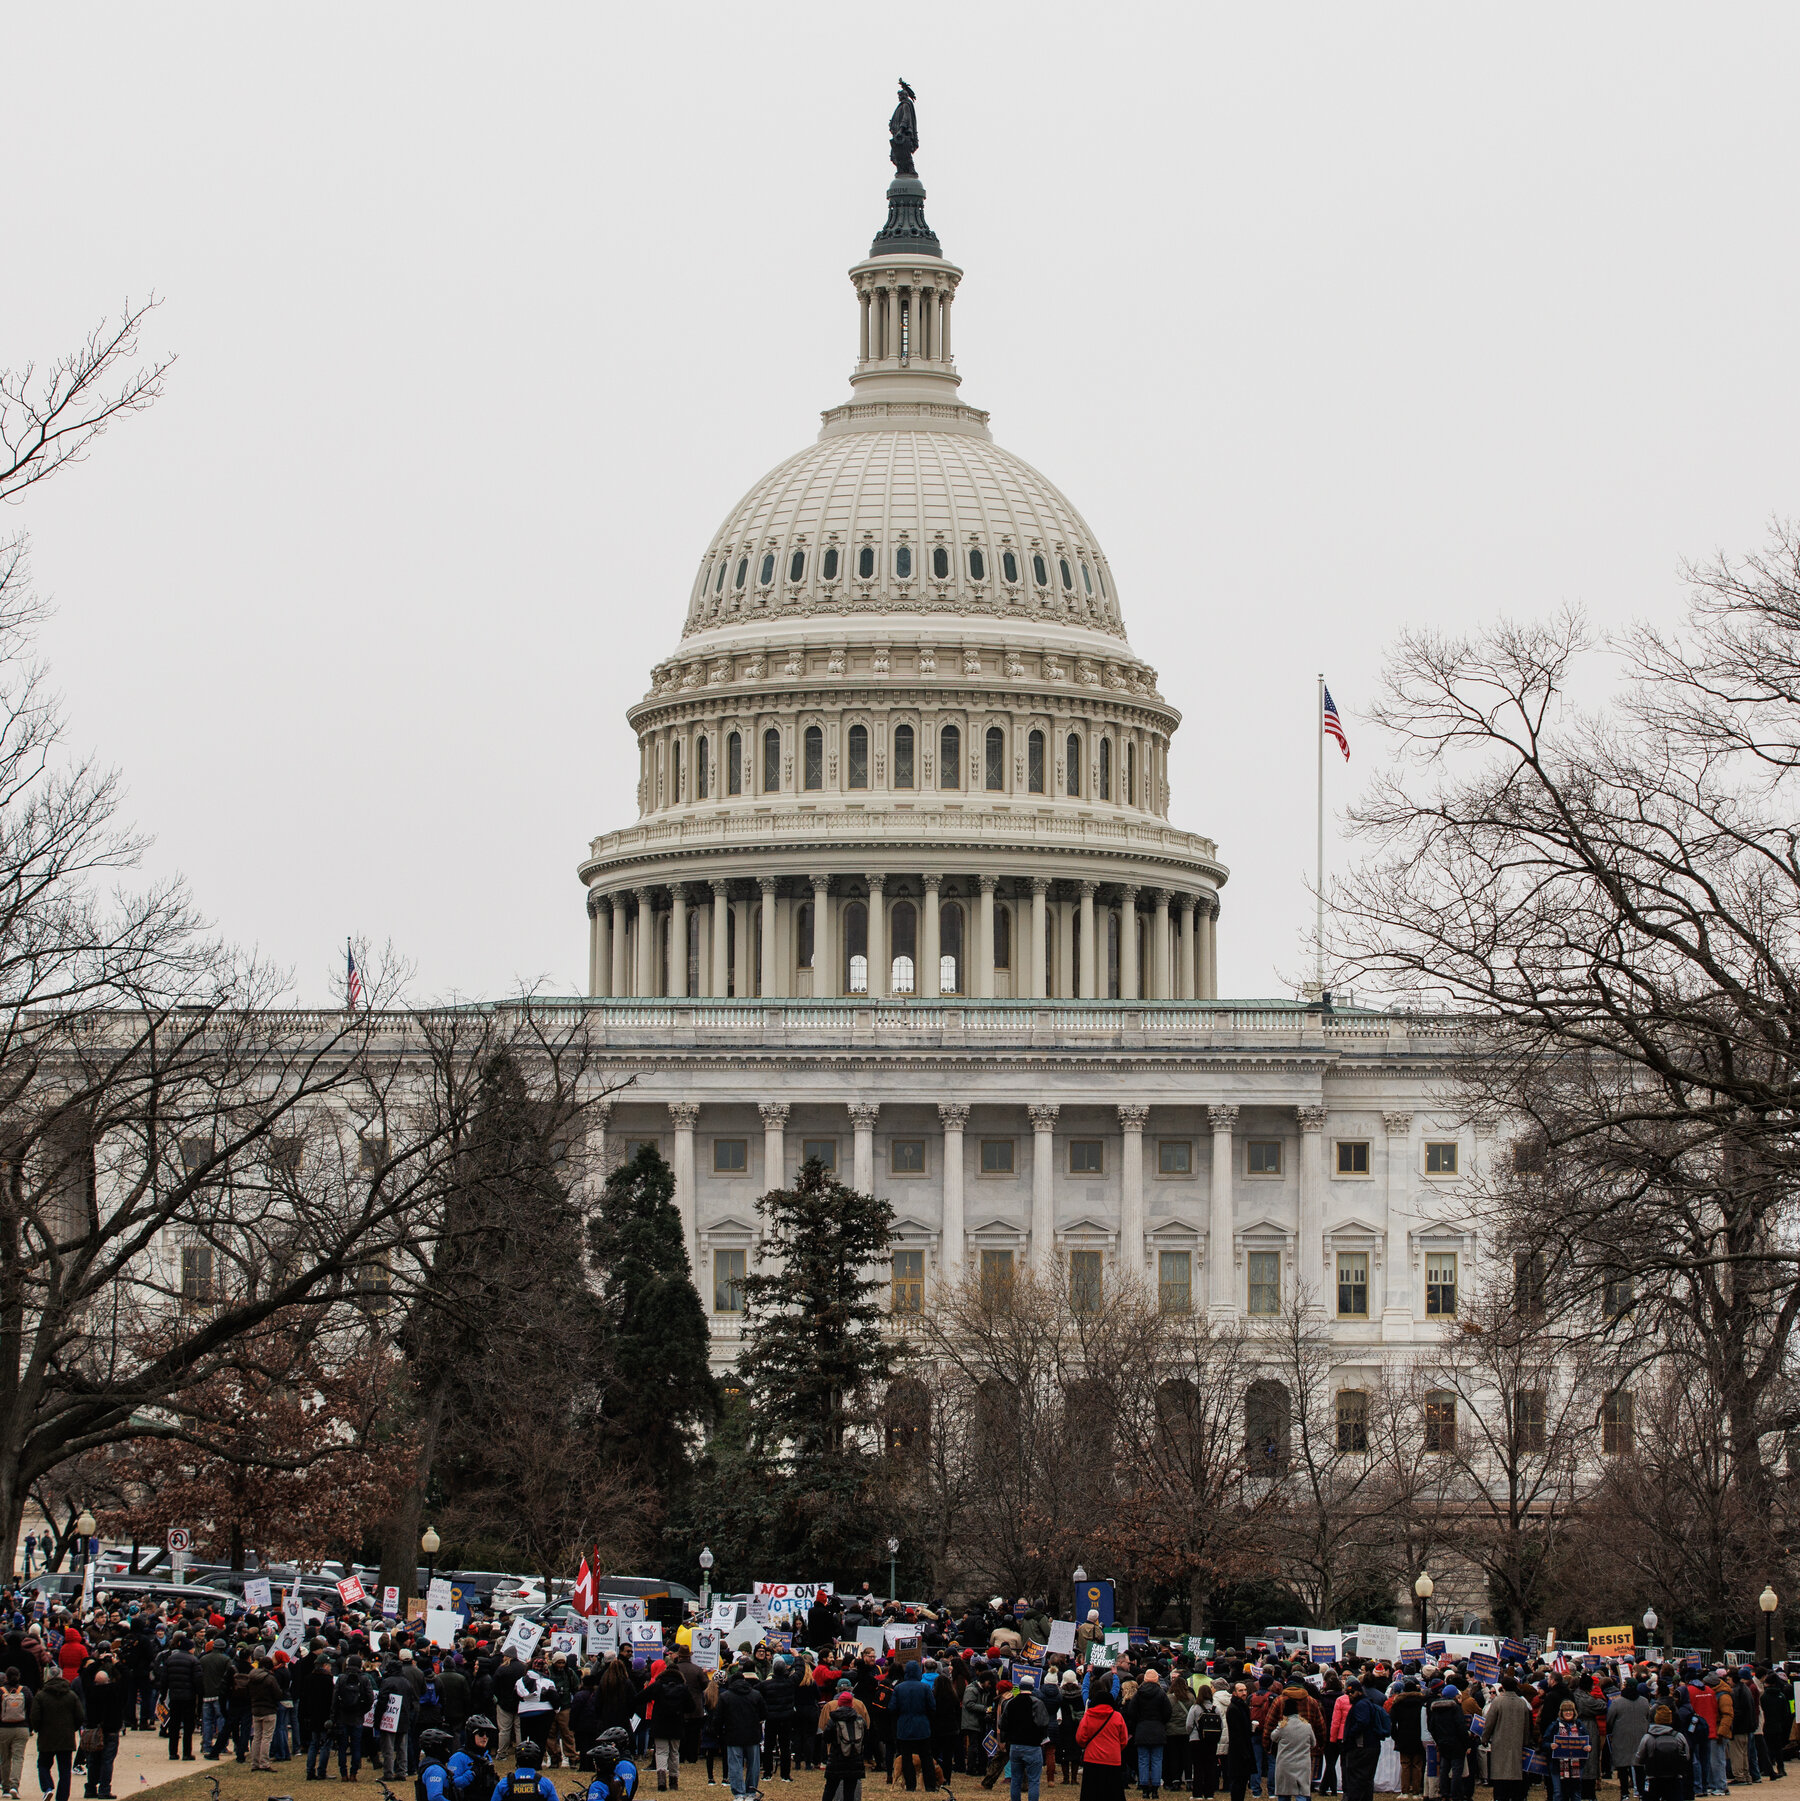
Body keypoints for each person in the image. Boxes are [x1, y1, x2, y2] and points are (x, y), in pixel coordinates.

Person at [31, 1663, 85, 1801]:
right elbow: (80, 1716)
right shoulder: (71, 1695)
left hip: (46, 1737)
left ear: (48, 1677)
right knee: (65, 1771)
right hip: (66, 1737)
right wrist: (72, 1728)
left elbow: (35, 1717)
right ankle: (62, 1798)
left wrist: (38, 1729)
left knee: (43, 1765)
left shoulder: (41, 1696)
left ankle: (47, 1787)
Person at [1000, 1673, 1051, 1801]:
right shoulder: (1037, 1703)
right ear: (1033, 1688)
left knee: (1015, 1779)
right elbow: (1044, 1723)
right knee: (1034, 1781)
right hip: (1033, 1747)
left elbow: (1002, 1724)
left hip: (1015, 1746)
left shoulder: (1011, 1703)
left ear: (1020, 1687)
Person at [1075, 1680, 1128, 1801]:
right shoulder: (1117, 1716)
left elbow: (1080, 1738)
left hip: (1092, 1759)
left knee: (1091, 1793)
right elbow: (1124, 1740)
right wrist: (1115, 1748)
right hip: (1113, 1759)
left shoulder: (1088, 1715)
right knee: (1113, 1794)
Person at [1483, 1678, 1533, 1801]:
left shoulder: (1497, 1702)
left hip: (1500, 1743)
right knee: (1515, 1777)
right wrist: (1525, 1743)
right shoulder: (1522, 1703)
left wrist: (1484, 1738)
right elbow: (1527, 1727)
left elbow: (1489, 1723)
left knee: (1501, 1779)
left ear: (1503, 1687)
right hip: (1517, 1744)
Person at [1126, 1667, 1172, 1799]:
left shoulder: (1139, 1694)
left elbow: (1131, 1712)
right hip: (1158, 1730)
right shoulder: (1161, 1693)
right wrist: (1160, 1722)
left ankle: (1144, 1787)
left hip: (1142, 1730)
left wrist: (1139, 1722)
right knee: (1157, 1760)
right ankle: (1156, 1788)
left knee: (1143, 1760)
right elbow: (1168, 1712)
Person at [156, 1630, 200, 1762]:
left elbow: (164, 1680)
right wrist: (199, 1695)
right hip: (189, 1697)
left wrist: (163, 1695)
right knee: (188, 1726)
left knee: (173, 1725)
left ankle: (173, 1752)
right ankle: (187, 1753)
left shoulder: (170, 1659)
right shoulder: (193, 1661)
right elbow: (197, 1680)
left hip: (174, 1696)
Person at [81, 1665, 124, 1799]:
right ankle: (104, 1789)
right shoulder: (115, 1691)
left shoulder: (90, 1692)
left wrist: (98, 1661)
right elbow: (126, 1679)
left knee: (93, 1761)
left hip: (94, 1730)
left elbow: (85, 1675)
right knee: (107, 1761)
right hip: (110, 1730)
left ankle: (91, 1788)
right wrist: (116, 1663)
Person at [331, 1652, 374, 1782]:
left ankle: (343, 1774)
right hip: (357, 1717)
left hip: (342, 1717)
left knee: (342, 1746)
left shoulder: (342, 1678)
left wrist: (334, 1715)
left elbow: (334, 1699)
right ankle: (354, 1773)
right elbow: (370, 1698)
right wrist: (363, 1710)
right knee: (356, 1746)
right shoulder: (364, 1679)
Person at [1636, 1706, 1693, 1801]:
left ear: (1656, 1718)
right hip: (1674, 1778)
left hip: (1653, 1778)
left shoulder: (1648, 1737)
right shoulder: (1678, 1736)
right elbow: (1687, 1756)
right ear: (1670, 1720)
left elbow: (1639, 1759)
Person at [1609, 1681, 1654, 1799]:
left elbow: (1610, 1719)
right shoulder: (1644, 1702)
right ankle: (1640, 1792)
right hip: (1640, 1737)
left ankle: (1624, 1793)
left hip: (1621, 1737)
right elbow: (1649, 1717)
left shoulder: (1617, 1702)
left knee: (1623, 1767)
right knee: (1639, 1766)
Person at [822, 1690, 868, 1801]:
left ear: (839, 1704)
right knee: (849, 1791)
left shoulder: (834, 1720)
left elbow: (826, 1738)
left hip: (836, 1759)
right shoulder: (859, 1720)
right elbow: (866, 1738)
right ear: (851, 1704)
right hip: (854, 1759)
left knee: (830, 1788)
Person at [1270, 1698, 1315, 1801]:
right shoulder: (1307, 1726)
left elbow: (1273, 1737)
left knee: (1284, 1793)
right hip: (1303, 1763)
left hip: (1285, 1763)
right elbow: (1313, 1743)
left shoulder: (1282, 1727)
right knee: (1301, 1793)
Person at [451, 1715, 498, 1801]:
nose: (485, 1737)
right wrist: (472, 1774)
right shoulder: (458, 1757)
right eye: (481, 1734)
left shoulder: (486, 1756)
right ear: (471, 1735)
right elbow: (452, 1784)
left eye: (487, 1734)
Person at [417, 1726, 458, 1801]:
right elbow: (435, 1797)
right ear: (436, 1748)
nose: (448, 1751)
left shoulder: (427, 1764)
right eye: (445, 1747)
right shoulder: (435, 1769)